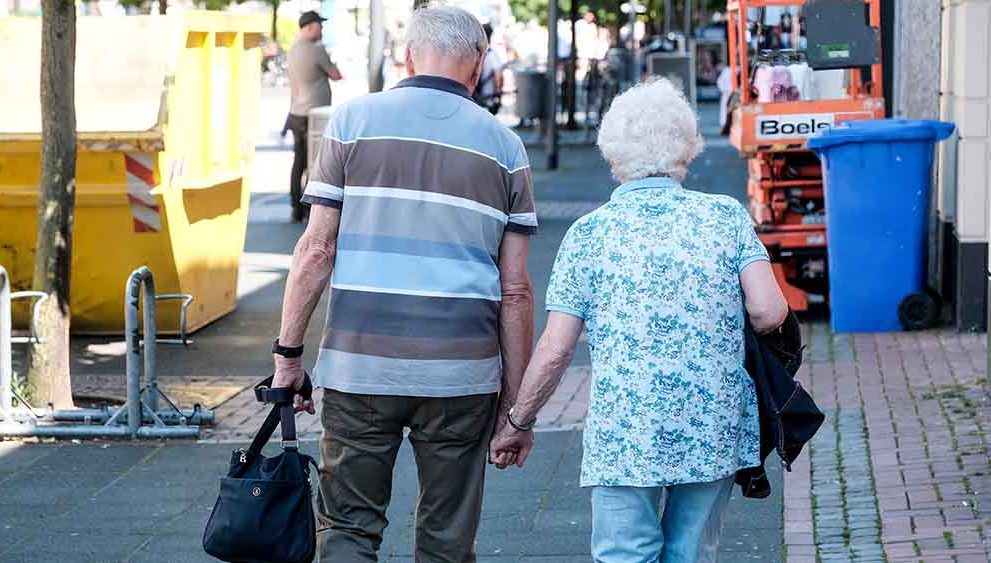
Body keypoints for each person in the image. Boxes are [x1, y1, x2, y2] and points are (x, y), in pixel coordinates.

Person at [270, 6, 537, 562]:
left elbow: (316, 250)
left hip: (360, 366)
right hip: (463, 376)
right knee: (447, 539)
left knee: (346, 528)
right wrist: (515, 407)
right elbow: (516, 292)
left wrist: (288, 357)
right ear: (479, 63)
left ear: (408, 56)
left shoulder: (351, 124)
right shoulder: (505, 149)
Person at [490, 78, 789, 562]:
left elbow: (556, 349)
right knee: (691, 552)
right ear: (688, 150)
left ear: (612, 156)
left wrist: (517, 421)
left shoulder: (589, 234)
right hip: (710, 421)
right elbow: (769, 310)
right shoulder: (725, 217)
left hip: (626, 431)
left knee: (624, 553)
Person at [285, 10, 343, 223]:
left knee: (298, 161)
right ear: (309, 27)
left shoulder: (292, 49)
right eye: (320, 26)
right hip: (315, 115)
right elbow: (337, 75)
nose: (322, 30)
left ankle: (295, 208)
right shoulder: (316, 50)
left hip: (295, 113)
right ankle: (310, 208)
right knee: (316, 163)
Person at [474, 22, 504, 114]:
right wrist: (498, 96)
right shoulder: (493, 55)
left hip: (474, 98)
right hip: (488, 98)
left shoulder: (474, 53)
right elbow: (498, 76)